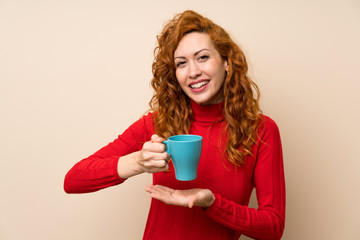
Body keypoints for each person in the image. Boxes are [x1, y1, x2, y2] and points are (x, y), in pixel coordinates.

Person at [64, 10, 286, 240]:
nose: (193, 72)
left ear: (227, 62)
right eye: (181, 63)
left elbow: (273, 227)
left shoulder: (261, 130)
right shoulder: (157, 123)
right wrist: (138, 162)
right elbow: (73, 180)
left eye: (202, 57)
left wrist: (211, 202)